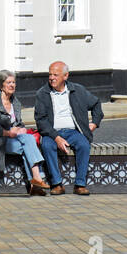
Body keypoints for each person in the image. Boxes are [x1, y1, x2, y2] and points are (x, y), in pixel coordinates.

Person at [33, 61, 103, 196]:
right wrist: (56, 137)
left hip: (73, 131)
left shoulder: (78, 90)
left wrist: (94, 123)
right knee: (47, 146)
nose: (51, 78)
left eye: (55, 75)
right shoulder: (43, 93)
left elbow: (96, 104)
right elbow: (40, 120)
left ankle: (80, 184)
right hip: (52, 132)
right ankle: (57, 184)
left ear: (65, 76)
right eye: (50, 75)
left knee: (84, 145)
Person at [0, 71, 50, 195]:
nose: (12, 85)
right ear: (1, 85)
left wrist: (21, 128)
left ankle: (36, 182)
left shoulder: (15, 102)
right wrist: (8, 132)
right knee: (28, 142)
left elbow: (18, 123)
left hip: (13, 139)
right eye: (8, 82)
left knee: (27, 143)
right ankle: (37, 180)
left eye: (13, 82)